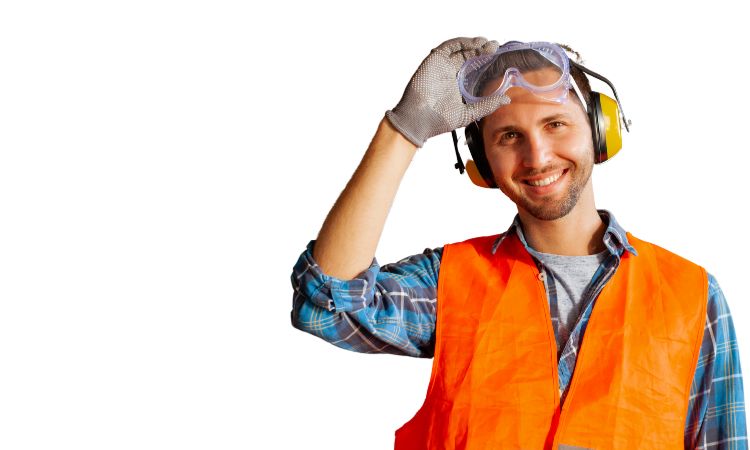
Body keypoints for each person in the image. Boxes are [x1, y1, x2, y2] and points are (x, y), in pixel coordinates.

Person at [290, 38, 747, 449]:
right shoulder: (449, 282)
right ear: (482, 163)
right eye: (509, 136)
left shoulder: (691, 295)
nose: (537, 157)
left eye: (555, 124)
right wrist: (403, 130)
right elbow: (327, 302)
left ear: (599, 130)